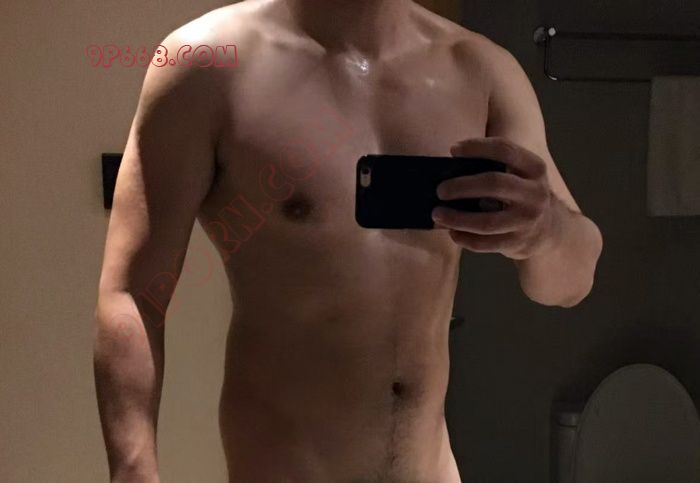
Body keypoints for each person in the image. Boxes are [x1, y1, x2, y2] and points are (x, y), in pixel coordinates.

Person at [92, 0, 603, 481]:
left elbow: (569, 284)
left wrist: (547, 230)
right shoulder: (204, 63)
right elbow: (133, 294)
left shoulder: (481, 71)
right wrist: (134, 472)